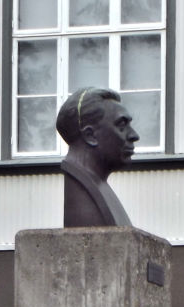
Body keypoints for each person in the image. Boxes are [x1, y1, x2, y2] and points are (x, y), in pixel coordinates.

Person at [56, 88, 140, 227]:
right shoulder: (86, 189)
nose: (134, 135)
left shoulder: (102, 188)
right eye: (122, 126)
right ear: (90, 135)